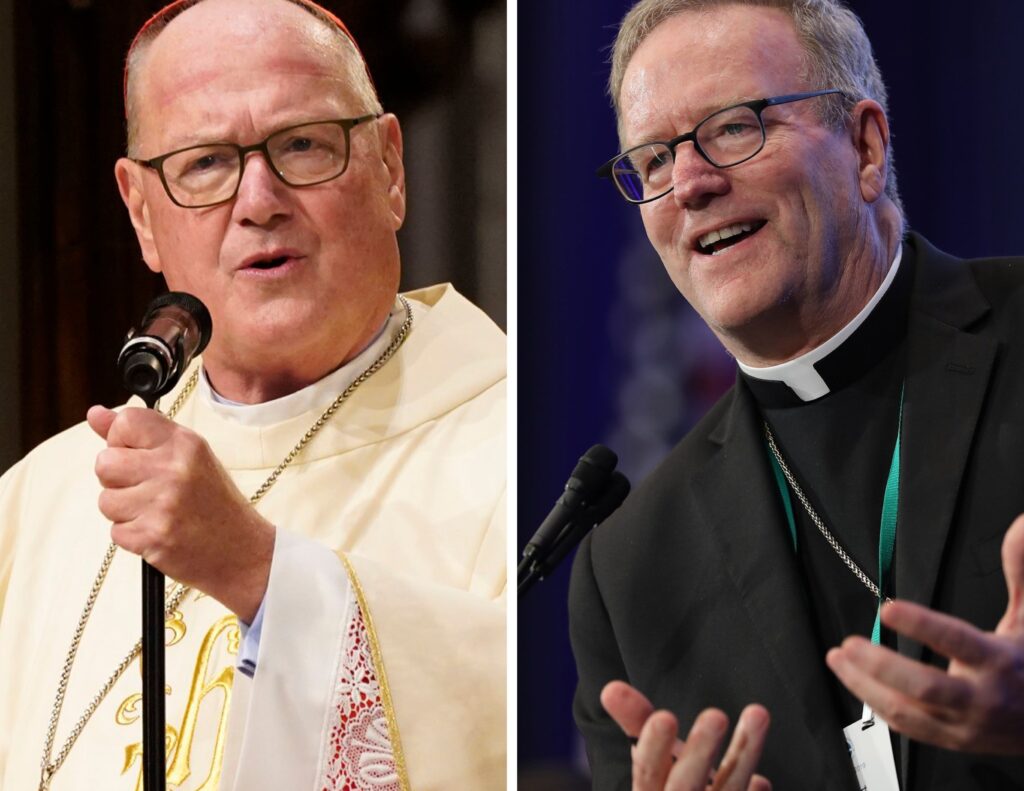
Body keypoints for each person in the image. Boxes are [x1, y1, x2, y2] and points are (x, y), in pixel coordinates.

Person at [0, 1, 505, 789]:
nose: (259, 199)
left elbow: (548, 733)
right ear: (141, 212)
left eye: (303, 145)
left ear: (391, 168)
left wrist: (266, 578)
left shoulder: (528, 451)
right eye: (205, 163)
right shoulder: (40, 499)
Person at [569, 1, 1024, 789]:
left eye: (735, 127)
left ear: (865, 145)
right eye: (651, 160)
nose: (689, 184)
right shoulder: (631, 570)